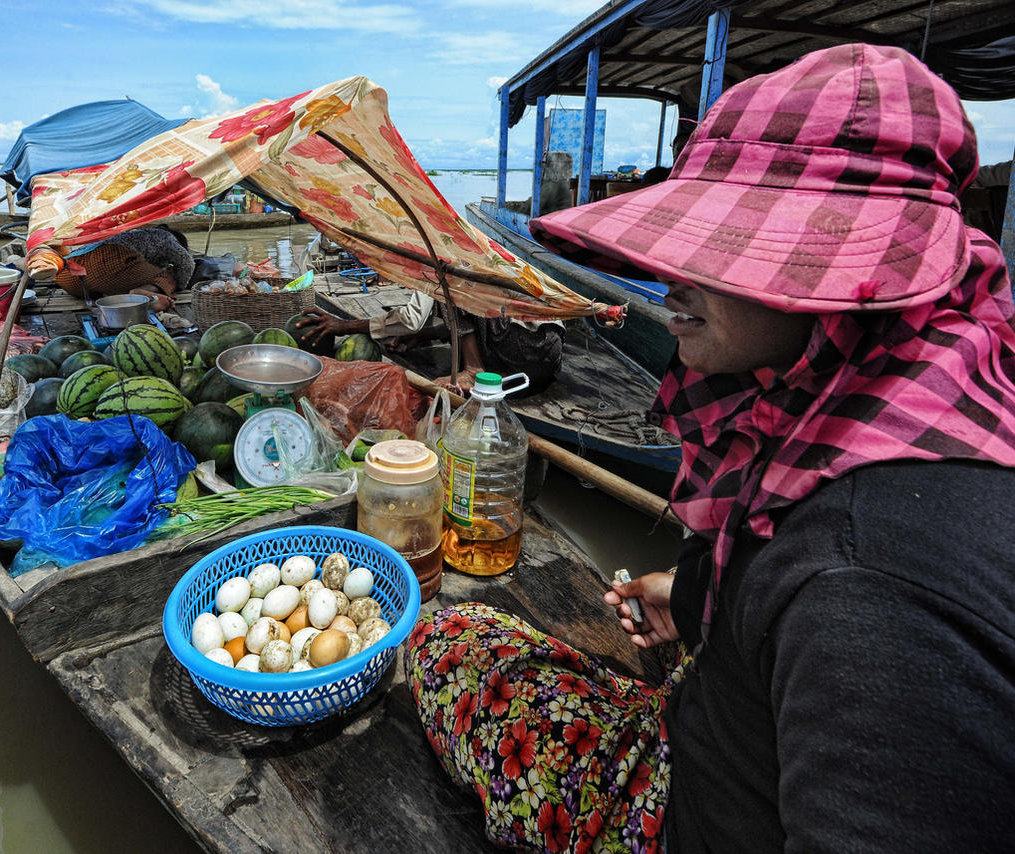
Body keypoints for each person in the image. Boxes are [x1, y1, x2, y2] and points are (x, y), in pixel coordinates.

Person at [404, 43, 1015, 853]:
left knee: (443, 644)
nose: (667, 275)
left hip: (679, 816)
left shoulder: (870, 588)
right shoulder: (882, 409)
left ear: (841, 274)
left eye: (721, 248)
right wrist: (701, 601)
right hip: (714, 729)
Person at [295, 290, 564, 395]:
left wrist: (345, 325)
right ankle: (490, 370)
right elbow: (484, 317)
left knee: (450, 285)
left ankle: (472, 370)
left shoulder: (434, 252)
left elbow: (412, 318)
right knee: (469, 296)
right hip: (547, 355)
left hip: (525, 343)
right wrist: (423, 336)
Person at [25, 225, 195, 312]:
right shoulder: (166, 237)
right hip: (108, 262)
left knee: (112, 280)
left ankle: (112, 293)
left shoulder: (136, 234)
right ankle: (139, 294)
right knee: (166, 276)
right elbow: (187, 263)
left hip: (70, 275)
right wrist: (178, 285)